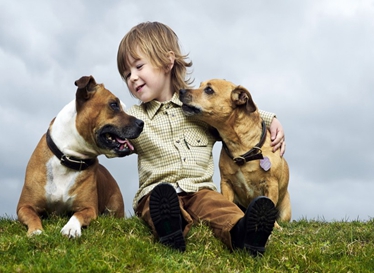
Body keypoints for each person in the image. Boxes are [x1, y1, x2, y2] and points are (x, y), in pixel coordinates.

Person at [117, 21, 285, 256]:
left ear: (168, 61)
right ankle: (170, 230)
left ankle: (244, 234)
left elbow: (232, 115)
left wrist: (270, 119)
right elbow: (109, 125)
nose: (132, 78)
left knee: (220, 208)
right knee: (157, 204)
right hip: (158, 190)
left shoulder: (200, 112)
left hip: (199, 191)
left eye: (138, 66)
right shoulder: (133, 118)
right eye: (126, 74)